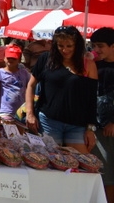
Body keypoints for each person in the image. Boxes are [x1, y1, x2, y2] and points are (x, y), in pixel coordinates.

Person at [25, 25, 98, 153]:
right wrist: (30, 113)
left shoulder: (88, 64)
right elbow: (31, 85)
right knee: (49, 162)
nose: (64, 50)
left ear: (77, 45)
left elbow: (91, 98)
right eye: (60, 46)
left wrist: (90, 129)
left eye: (69, 46)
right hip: (49, 120)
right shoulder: (46, 59)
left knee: (83, 165)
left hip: (77, 124)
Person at [89, 27, 114, 203]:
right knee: (105, 173)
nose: (96, 50)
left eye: (100, 46)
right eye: (93, 46)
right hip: (97, 126)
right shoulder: (94, 66)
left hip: (110, 126)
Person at [0, 45, 31, 121]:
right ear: (4, 58)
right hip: (5, 112)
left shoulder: (24, 73)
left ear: (19, 60)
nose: (10, 60)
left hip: (21, 112)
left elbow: (30, 89)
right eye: (8, 58)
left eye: (14, 58)